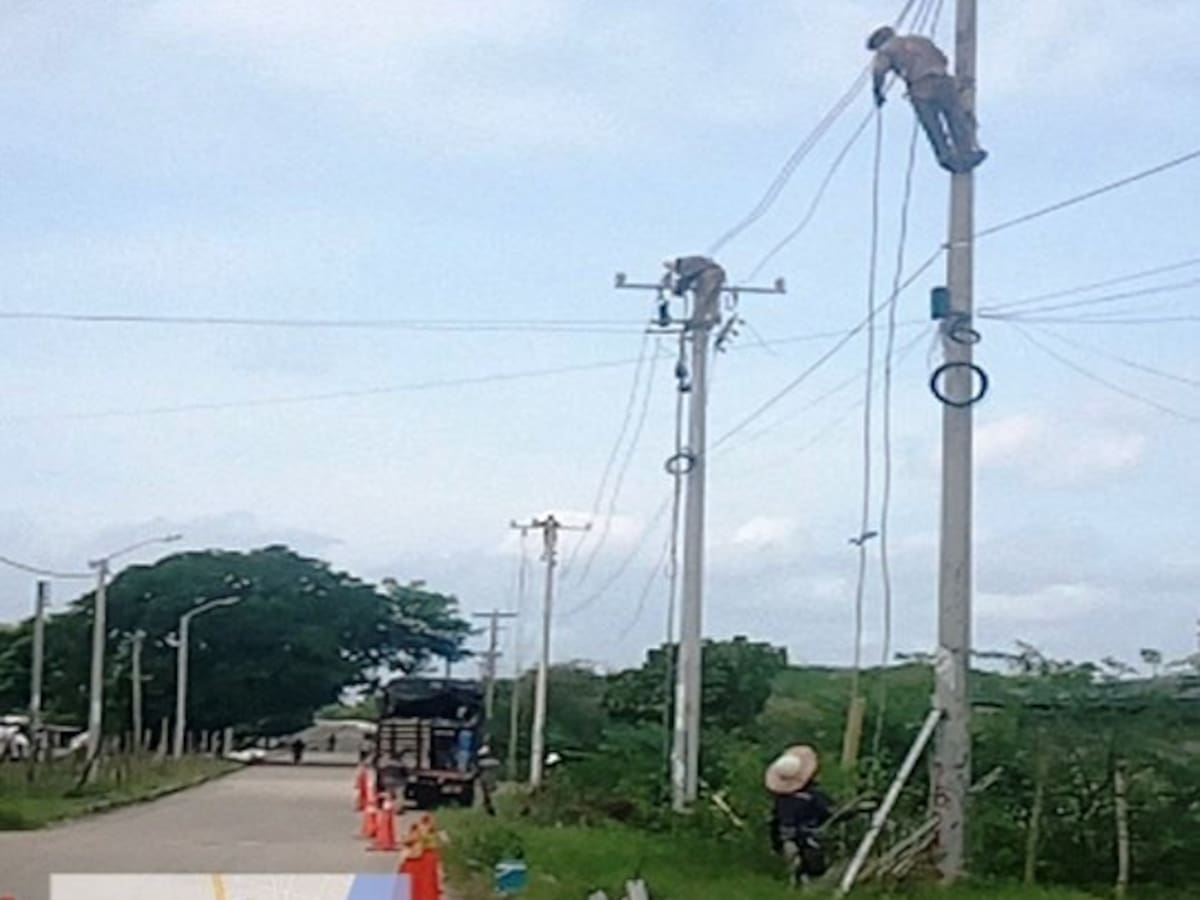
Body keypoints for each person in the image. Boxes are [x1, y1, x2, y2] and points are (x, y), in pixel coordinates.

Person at [867, 25, 987, 174]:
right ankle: (967, 150)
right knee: (956, 116)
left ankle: (947, 157)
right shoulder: (921, 40)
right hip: (943, 82)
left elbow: (879, 71)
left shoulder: (886, 50)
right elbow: (943, 59)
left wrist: (877, 92)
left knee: (933, 127)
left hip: (920, 88)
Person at [765, 745, 833, 888]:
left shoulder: (781, 800)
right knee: (814, 869)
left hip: (786, 838)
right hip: (809, 837)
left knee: (795, 867)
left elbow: (774, 821)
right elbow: (828, 813)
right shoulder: (812, 797)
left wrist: (776, 843)